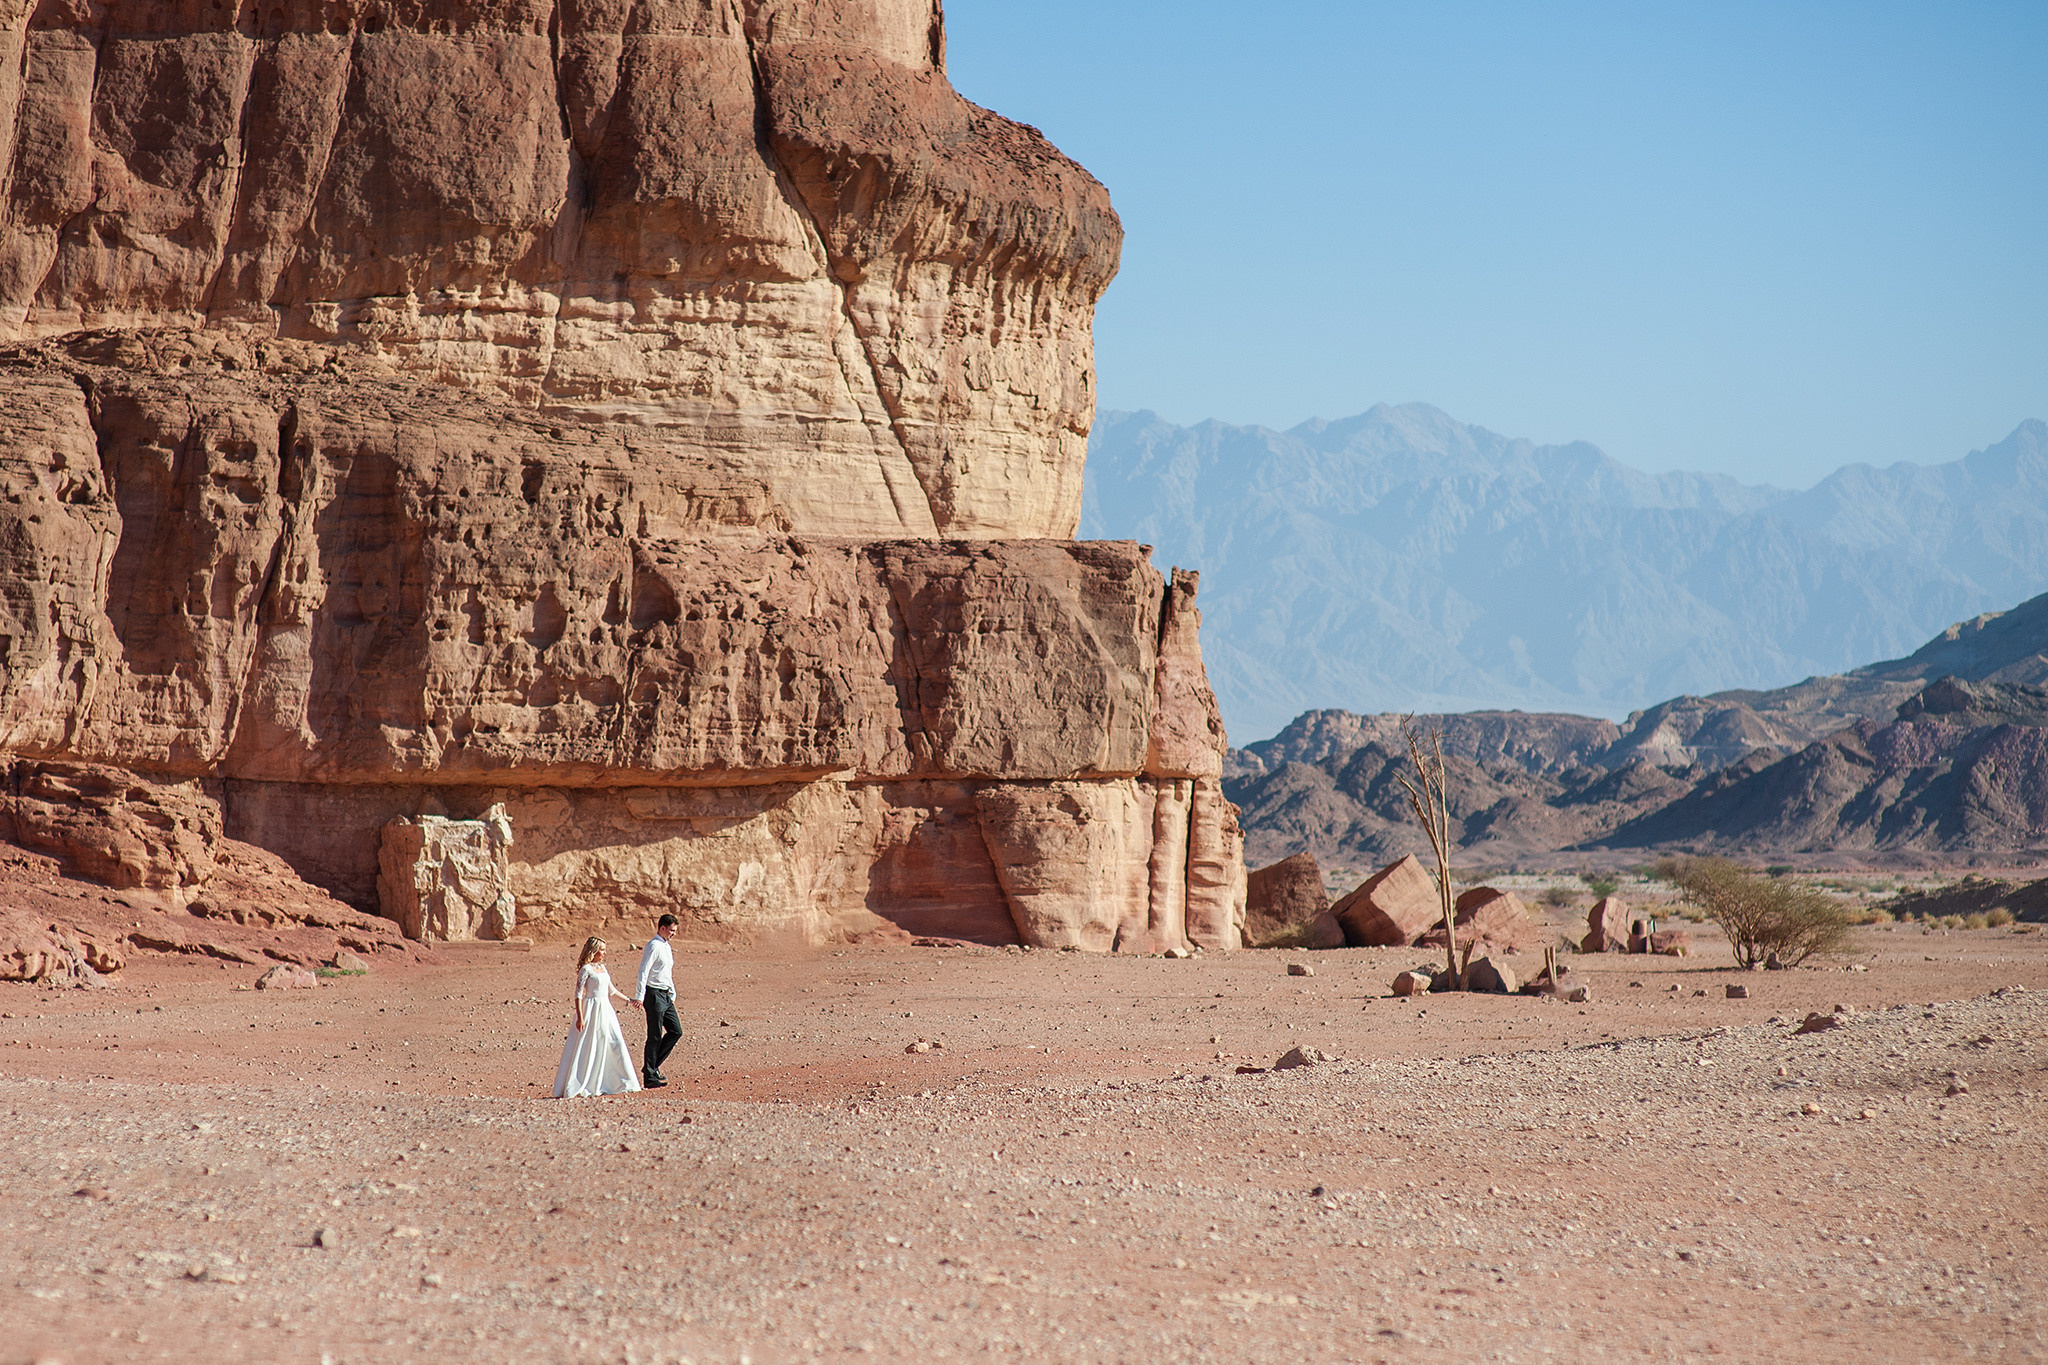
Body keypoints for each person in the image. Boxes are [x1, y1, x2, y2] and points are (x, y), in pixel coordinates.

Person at [551, 937, 641, 1098]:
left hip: (605, 1009)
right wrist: (580, 1017)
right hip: (591, 1008)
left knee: (613, 1041)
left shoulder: (602, 968)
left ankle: (618, 1081)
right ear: (593, 951)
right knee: (589, 1044)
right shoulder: (586, 969)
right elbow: (578, 994)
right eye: (602, 950)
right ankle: (584, 1083)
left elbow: (611, 990)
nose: (604, 953)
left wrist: (630, 1000)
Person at [635, 913, 683, 1089]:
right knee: (654, 1035)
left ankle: (652, 1067)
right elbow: (643, 971)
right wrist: (640, 996)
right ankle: (650, 1076)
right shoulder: (653, 946)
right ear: (662, 928)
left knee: (676, 1031)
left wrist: (672, 991)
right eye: (671, 930)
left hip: (665, 994)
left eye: (675, 931)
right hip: (653, 994)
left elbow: (666, 973)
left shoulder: (666, 947)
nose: (673, 934)